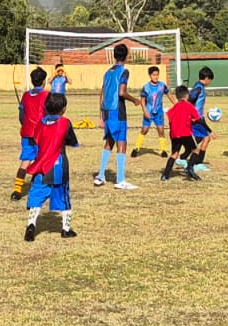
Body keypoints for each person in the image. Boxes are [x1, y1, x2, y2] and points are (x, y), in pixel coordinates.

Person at [24, 91, 81, 240]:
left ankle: (31, 224)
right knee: (63, 196)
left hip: (40, 166)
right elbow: (72, 141)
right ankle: (66, 229)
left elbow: (35, 140)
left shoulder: (40, 123)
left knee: (36, 196)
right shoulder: (65, 122)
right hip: (58, 166)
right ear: (63, 109)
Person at [94, 44, 140, 190]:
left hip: (107, 110)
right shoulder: (124, 71)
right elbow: (121, 92)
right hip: (117, 110)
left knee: (109, 142)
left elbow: (102, 93)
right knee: (122, 142)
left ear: (114, 55)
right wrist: (134, 100)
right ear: (126, 56)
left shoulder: (107, 72)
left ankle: (101, 175)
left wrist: (101, 115)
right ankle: (120, 179)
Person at [12, 67, 49, 201]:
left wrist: (26, 125)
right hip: (41, 134)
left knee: (25, 161)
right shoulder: (46, 95)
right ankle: (39, 188)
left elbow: (21, 116)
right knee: (42, 161)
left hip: (27, 133)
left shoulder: (26, 95)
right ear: (44, 81)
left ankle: (17, 190)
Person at [161, 86, 204, 182]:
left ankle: (165, 175)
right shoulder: (188, 105)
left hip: (174, 133)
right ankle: (190, 167)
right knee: (196, 150)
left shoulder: (174, 107)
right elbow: (197, 118)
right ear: (186, 96)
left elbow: (170, 118)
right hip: (185, 132)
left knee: (174, 154)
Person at [134, 65, 169, 156]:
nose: (156, 77)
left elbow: (169, 94)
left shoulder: (162, 86)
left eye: (157, 75)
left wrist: (176, 104)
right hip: (148, 111)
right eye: (154, 75)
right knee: (144, 130)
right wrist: (145, 111)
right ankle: (136, 148)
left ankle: (163, 150)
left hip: (159, 112)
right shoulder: (146, 87)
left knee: (161, 130)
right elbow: (142, 101)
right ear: (150, 75)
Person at [187, 67, 215, 172]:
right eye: (210, 79)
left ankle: (186, 158)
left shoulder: (199, 86)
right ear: (207, 78)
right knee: (206, 138)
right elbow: (190, 99)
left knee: (200, 139)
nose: (210, 82)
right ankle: (197, 163)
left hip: (197, 118)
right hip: (196, 119)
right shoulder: (198, 88)